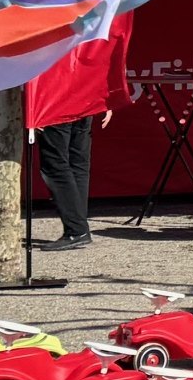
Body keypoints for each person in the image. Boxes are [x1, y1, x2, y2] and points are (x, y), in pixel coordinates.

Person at [26, 13, 130, 251]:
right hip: (84, 93)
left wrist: (34, 109)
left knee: (57, 164)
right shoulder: (95, 11)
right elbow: (106, 50)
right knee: (77, 163)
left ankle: (76, 229)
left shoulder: (51, 14)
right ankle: (78, 227)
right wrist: (104, 96)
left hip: (55, 96)